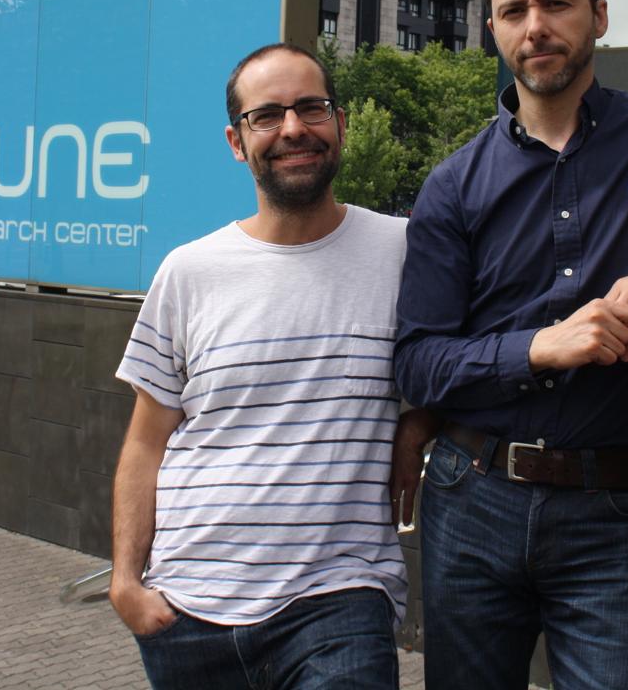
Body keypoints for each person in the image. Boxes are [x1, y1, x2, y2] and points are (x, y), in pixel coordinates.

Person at [394, 0, 628, 690]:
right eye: (515, 10)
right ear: (492, 28)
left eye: (557, 4)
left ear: (598, 14)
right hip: (472, 498)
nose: (537, 27)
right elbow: (418, 362)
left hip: (616, 505)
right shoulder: (453, 185)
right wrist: (540, 346)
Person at [108, 43, 429, 690]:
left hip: (340, 598)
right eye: (268, 115)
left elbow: (462, 357)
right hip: (187, 614)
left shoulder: (405, 251)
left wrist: (419, 423)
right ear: (237, 140)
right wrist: (125, 583)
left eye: (311, 108)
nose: (293, 129)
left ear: (341, 123)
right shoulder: (190, 271)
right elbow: (147, 442)